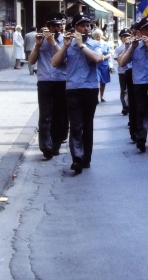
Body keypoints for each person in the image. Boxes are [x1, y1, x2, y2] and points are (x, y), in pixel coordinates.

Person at [50, 12, 103, 174]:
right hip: (72, 89)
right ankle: (77, 158)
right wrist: (65, 46)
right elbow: (54, 63)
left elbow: (97, 59)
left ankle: (86, 157)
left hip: (90, 88)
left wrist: (82, 46)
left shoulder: (94, 43)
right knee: (75, 125)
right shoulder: (68, 44)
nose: (86, 28)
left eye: (88, 25)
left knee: (87, 125)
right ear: (75, 28)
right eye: (82, 25)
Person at [28, 12, 68, 160]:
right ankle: (45, 146)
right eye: (54, 26)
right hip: (45, 80)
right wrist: (37, 46)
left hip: (61, 80)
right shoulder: (40, 40)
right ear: (48, 27)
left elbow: (65, 60)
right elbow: (31, 61)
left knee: (60, 114)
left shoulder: (65, 41)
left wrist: (53, 43)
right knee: (45, 115)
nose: (58, 29)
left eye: (59, 26)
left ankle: (56, 143)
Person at [120, 17, 148, 152]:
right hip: (139, 82)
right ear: (140, 32)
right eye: (146, 30)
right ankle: (141, 138)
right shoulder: (134, 46)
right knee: (141, 110)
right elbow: (122, 63)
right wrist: (131, 48)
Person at [113, 28, 131, 116]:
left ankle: (129, 106)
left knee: (130, 90)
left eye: (128, 36)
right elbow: (119, 61)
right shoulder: (118, 48)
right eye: (124, 36)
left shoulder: (133, 45)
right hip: (122, 72)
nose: (126, 38)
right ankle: (125, 106)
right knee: (123, 90)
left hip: (131, 71)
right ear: (121, 38)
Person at [92, 29, 111, 102]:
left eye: (99, 36)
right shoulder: (92, 44)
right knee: (96, 80)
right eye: (96, 36)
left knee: (103, 81)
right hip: (96, 65)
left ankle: (102, 95)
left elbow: (109, 53)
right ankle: (95, 96)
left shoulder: (105, 44)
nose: (98, 38)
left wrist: (104, 57)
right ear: (94, 37)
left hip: (104, 65)